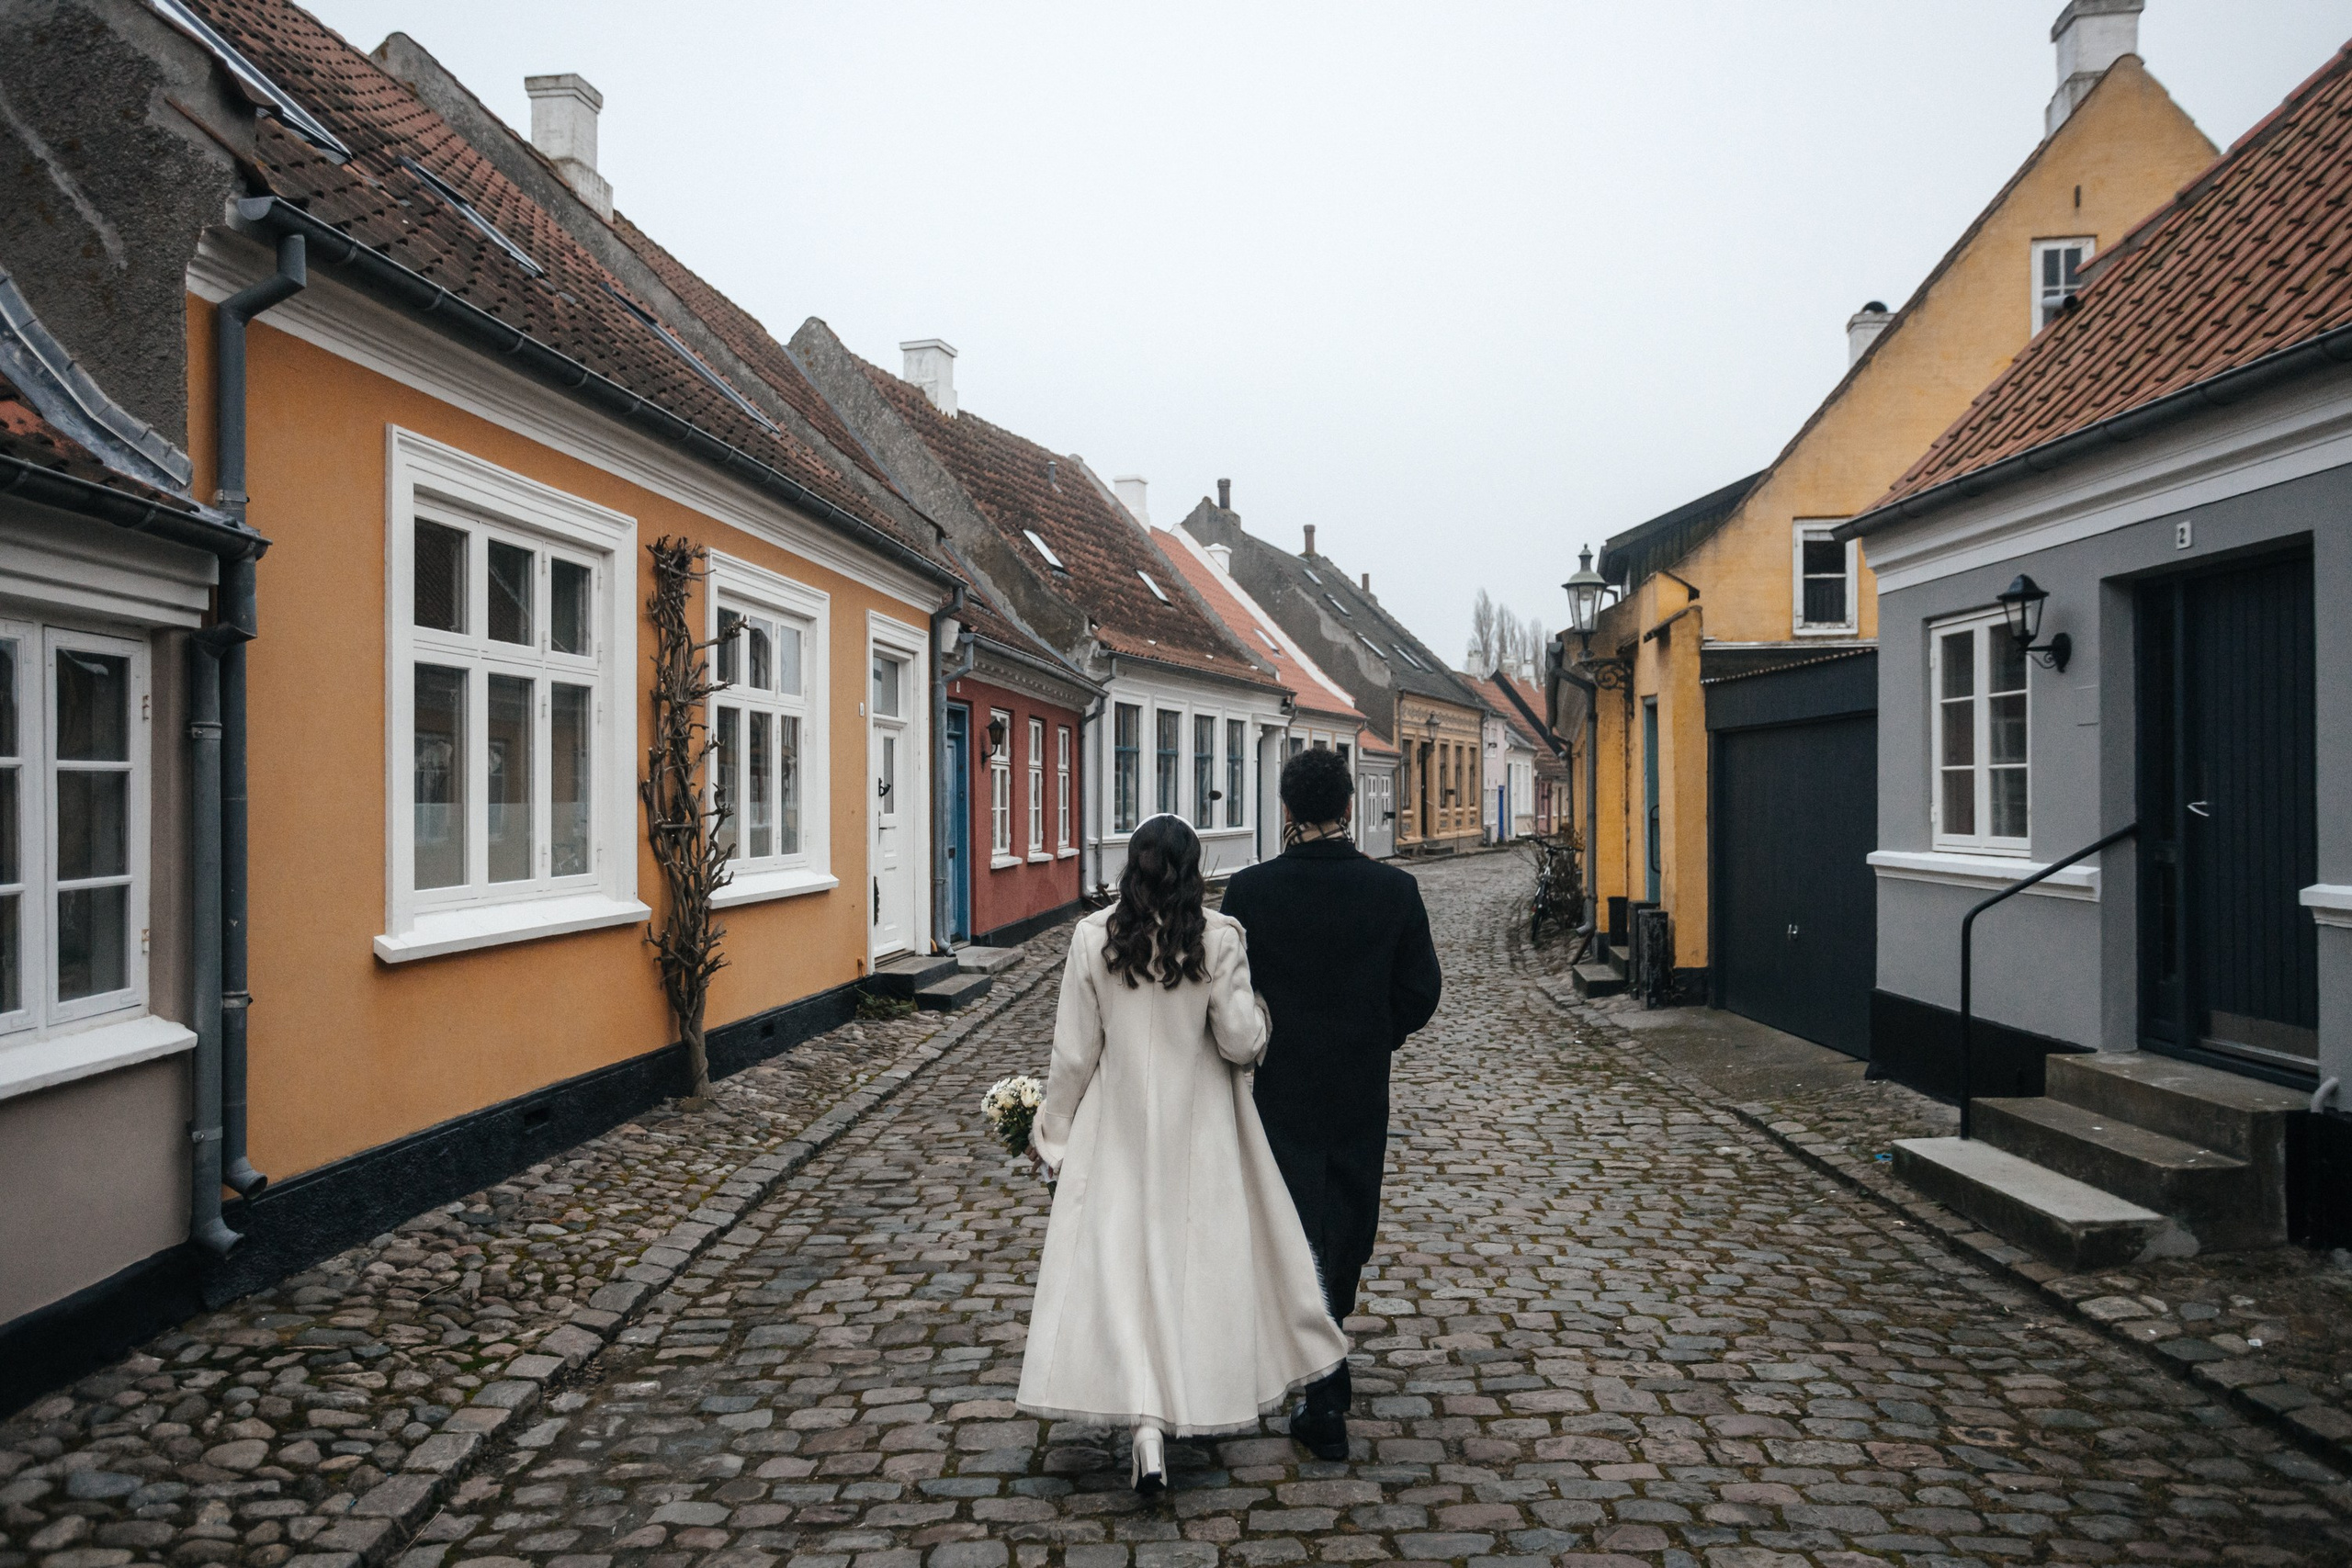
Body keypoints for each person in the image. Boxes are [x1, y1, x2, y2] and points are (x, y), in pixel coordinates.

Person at [1017, 814, 1348, 1495]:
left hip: (1118, 1126)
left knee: (1124, 1270)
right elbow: (1237, 1040)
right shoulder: (1219, 936)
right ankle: (1179, 1404)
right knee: (1188, 1271)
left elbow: (1073, 1054)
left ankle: (1144, 1427)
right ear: (1195, 868)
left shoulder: (1091, 937)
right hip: (1201, 1131)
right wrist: (1259, 1017)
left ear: (1131, 867)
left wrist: (1050, 1135)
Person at [1218, 747, 1443, 1461]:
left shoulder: (1251, 893)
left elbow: (1227, 991)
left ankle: (1322, 1379)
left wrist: (1259, 1036)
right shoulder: (1394, 891)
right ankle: (1326, 1378)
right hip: (1356, 1082)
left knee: (1293, 1221)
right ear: (1349, 806)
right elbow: (1422, 991)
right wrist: (1379, 1031)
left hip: (1281, 1082)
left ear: (1288, 807)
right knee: (1347, 1214)